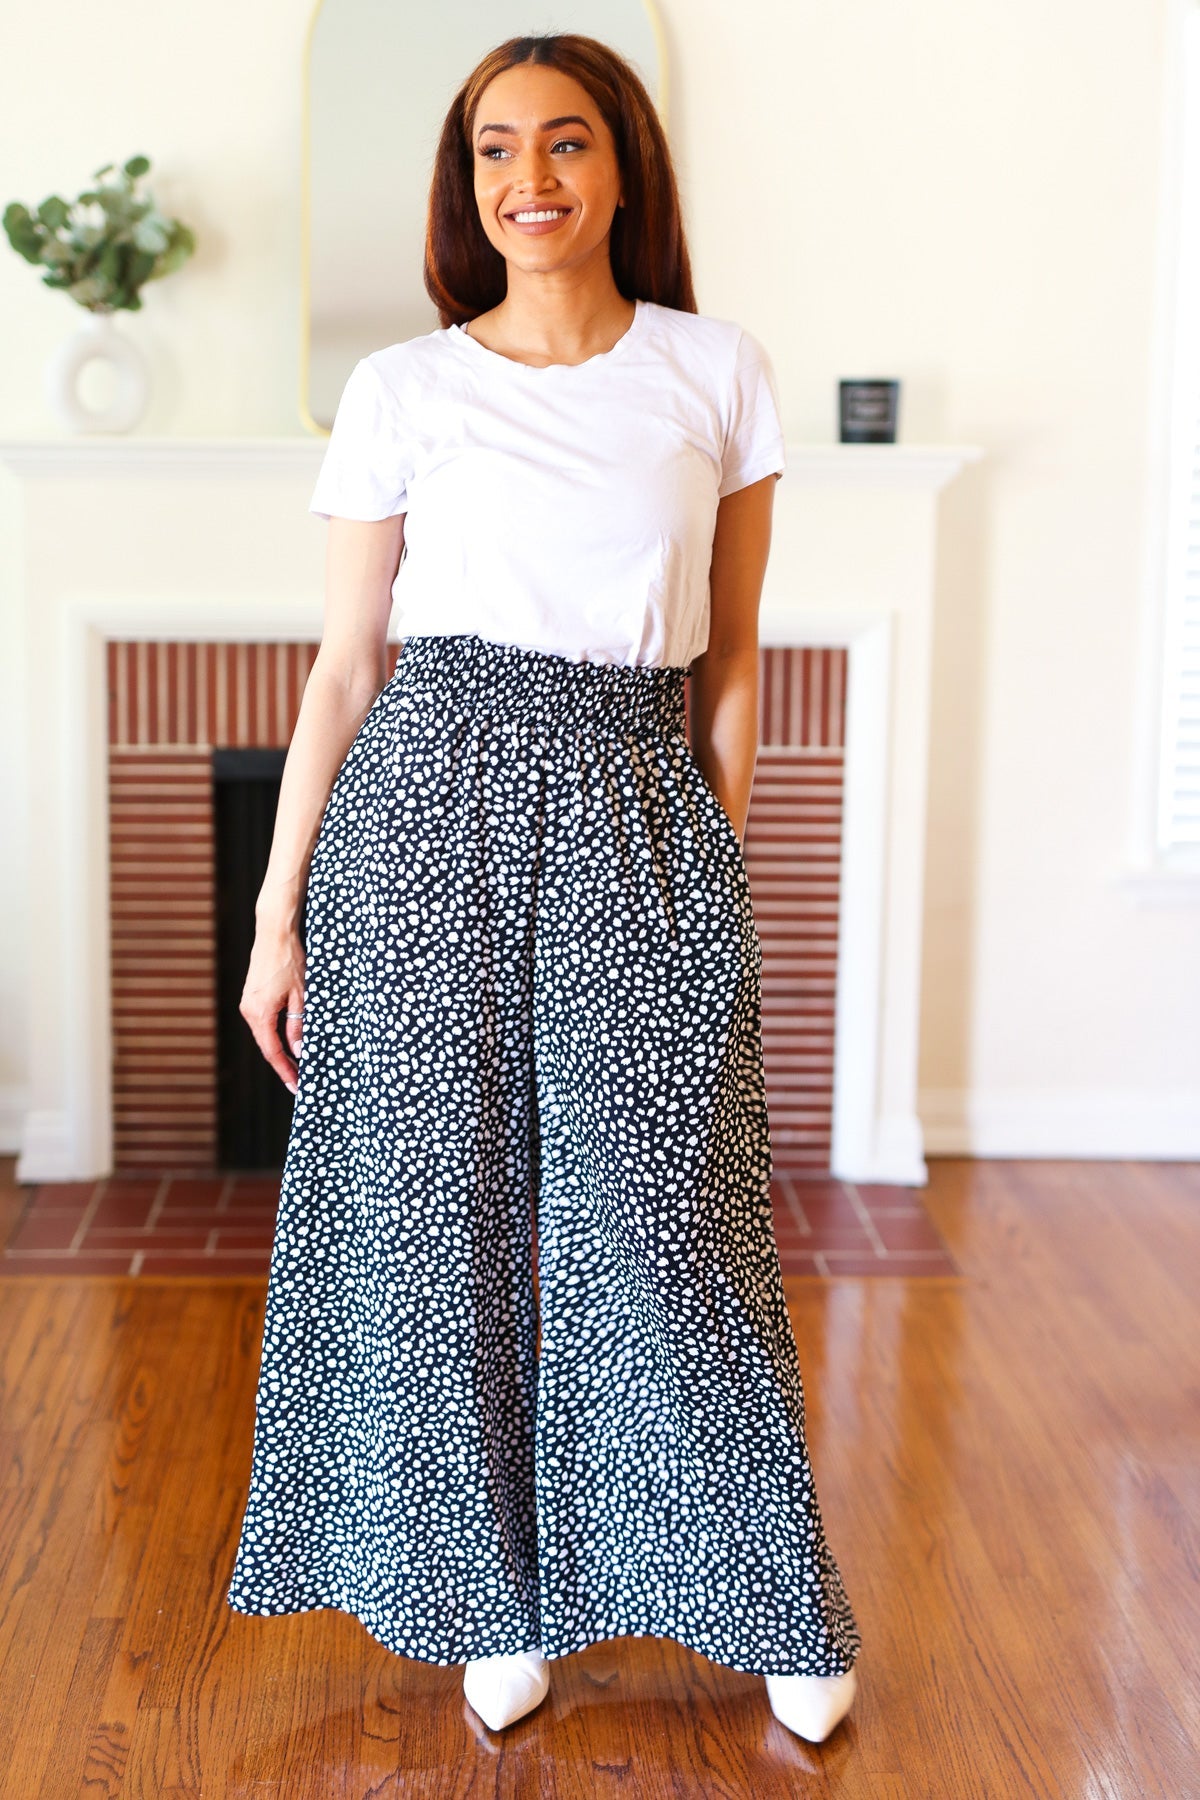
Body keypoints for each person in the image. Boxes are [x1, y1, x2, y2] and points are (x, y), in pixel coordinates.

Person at [225, 30, 862, 1745]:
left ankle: (769, 1596)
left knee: (666, 1229)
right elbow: (344, 669)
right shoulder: (403, 390)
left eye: (566, 142)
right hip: (419, 820)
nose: (531, 178)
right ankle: (489, 1602)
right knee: (436, 1232)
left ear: (623, 166)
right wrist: (279, 918)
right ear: (468, 185)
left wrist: (711, 862)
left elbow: (731, 660)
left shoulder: (715, 371)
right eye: (496, 149)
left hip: (636, 805)